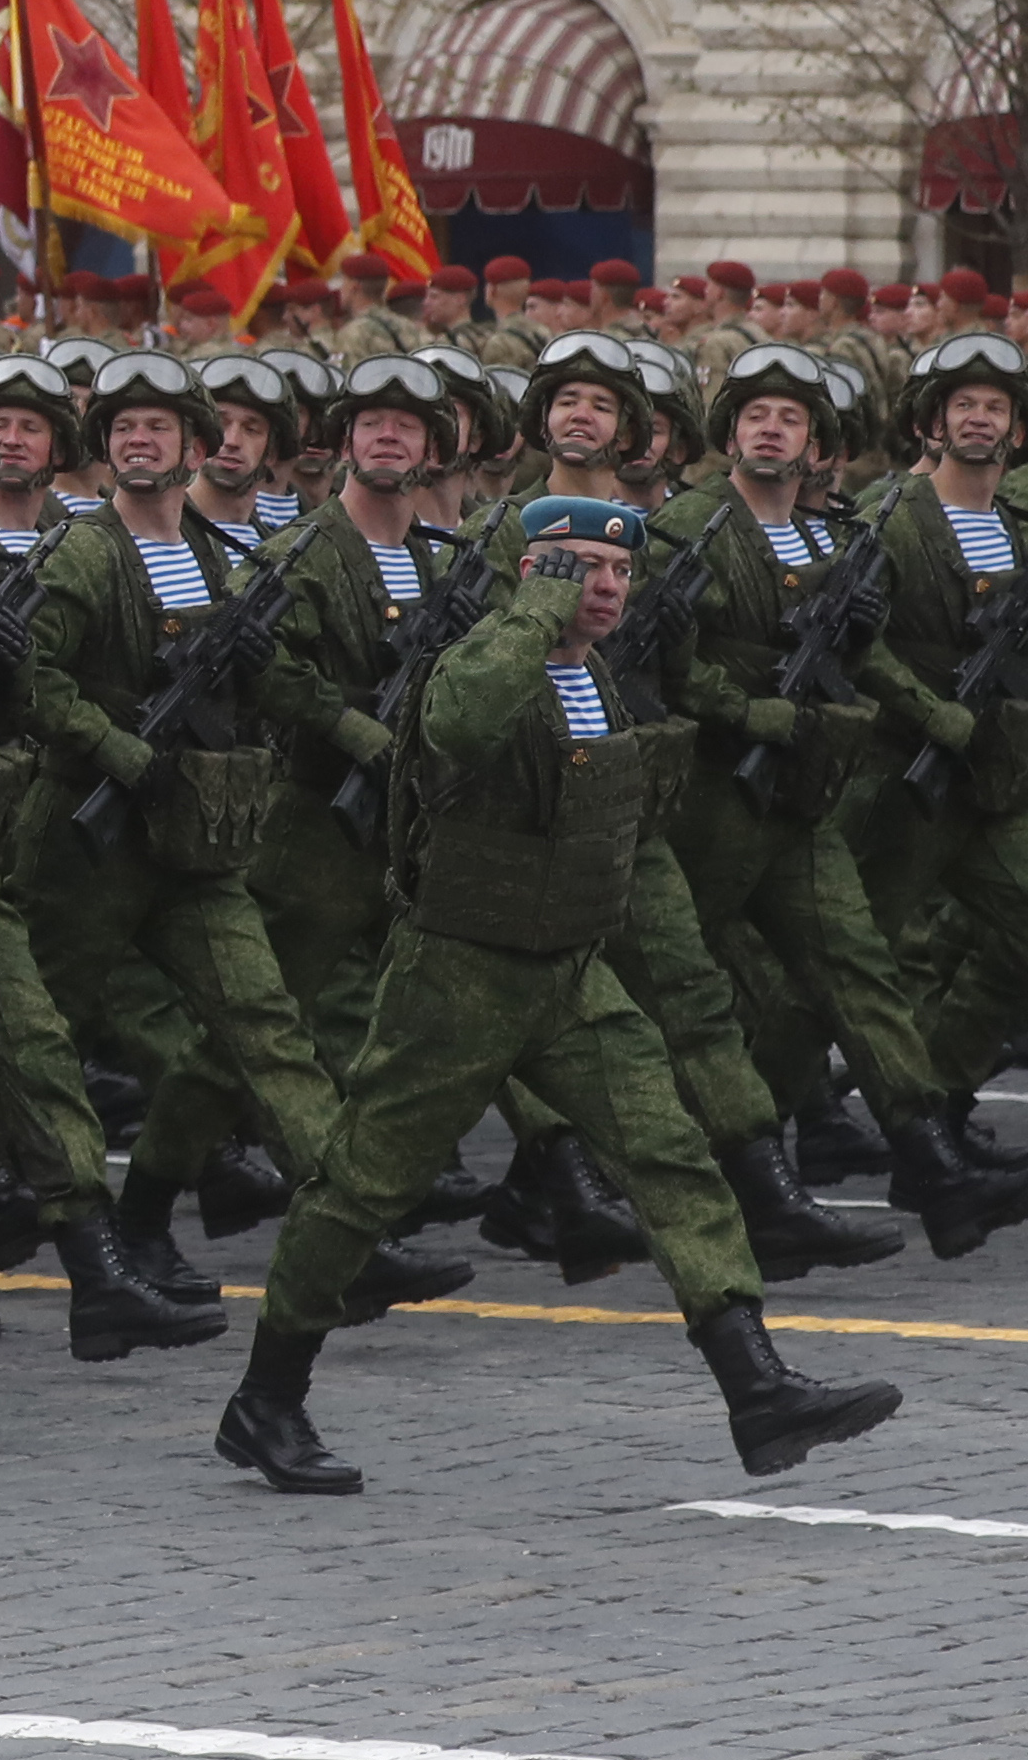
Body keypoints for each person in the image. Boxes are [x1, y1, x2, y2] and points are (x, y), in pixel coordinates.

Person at [220, 492, 906, 1493]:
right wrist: (527, 614)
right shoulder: (480, 663)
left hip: (567, 972)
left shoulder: (596, 682)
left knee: (668, 1156)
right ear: (530, 574)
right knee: (364, 1180)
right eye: (576, 567)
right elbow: (455, 722)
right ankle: (266, 1397)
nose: (603, 588)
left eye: (617, 572)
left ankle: (755, 1386)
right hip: (458, 974)